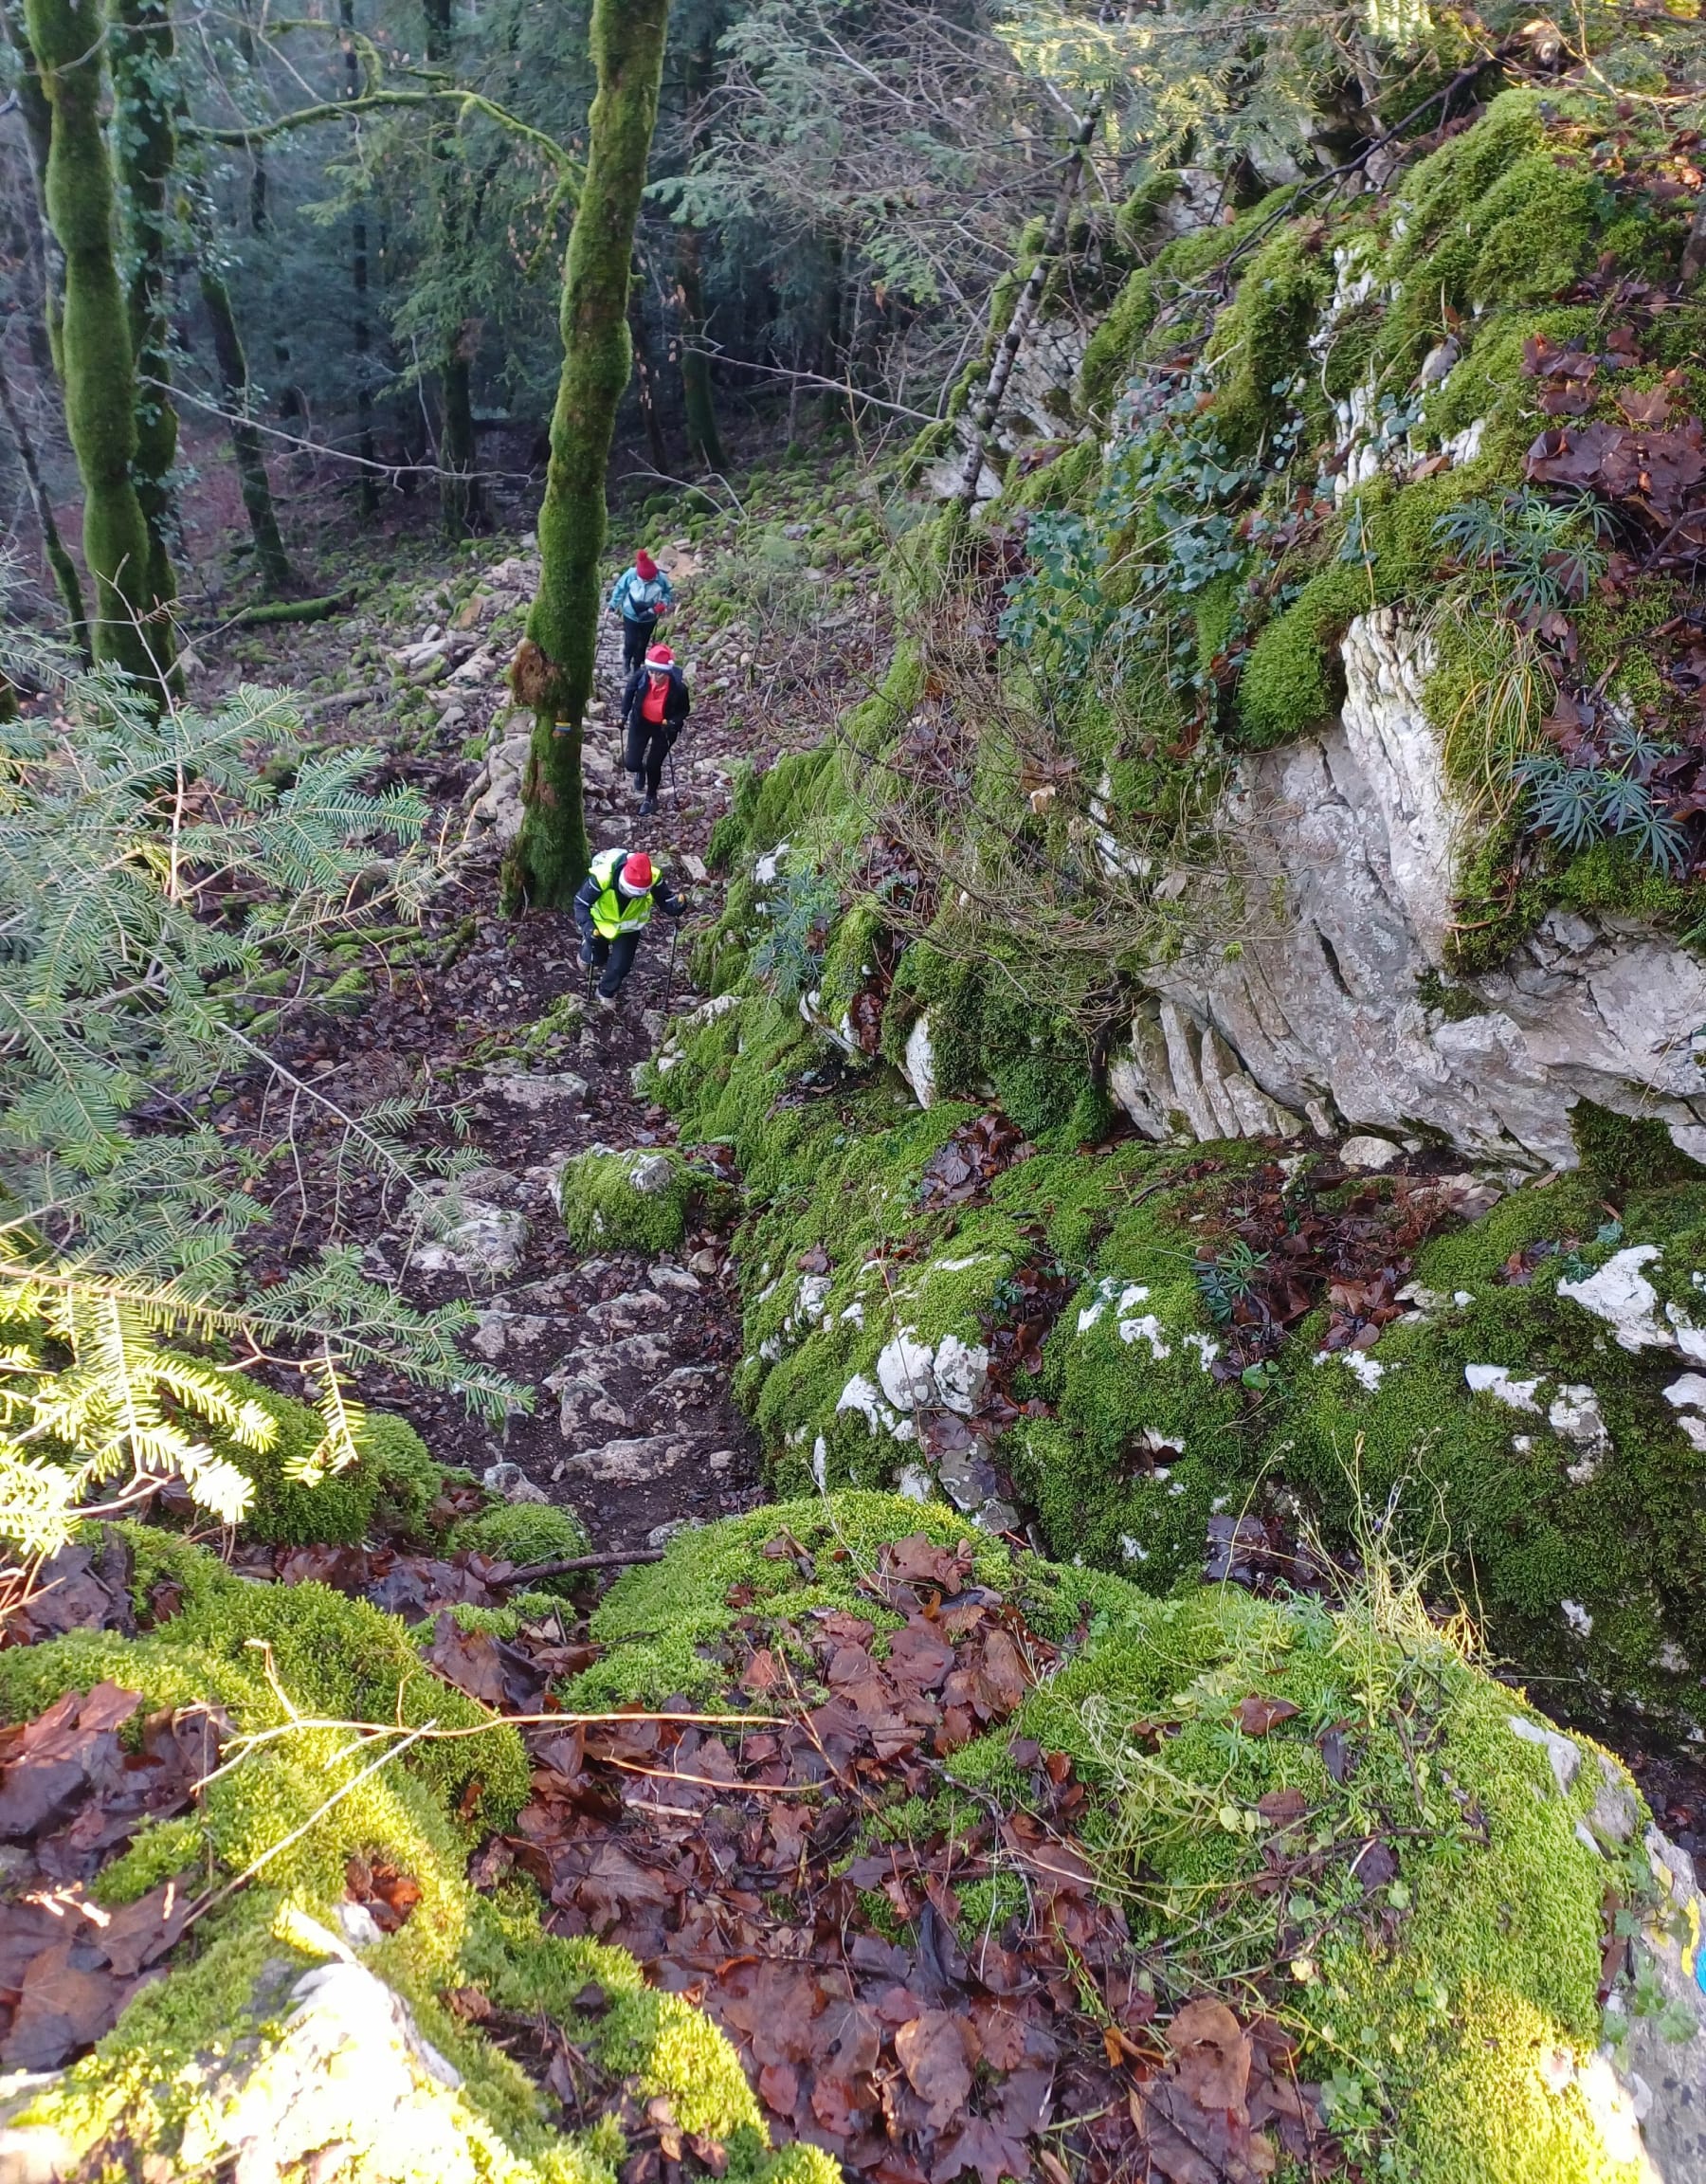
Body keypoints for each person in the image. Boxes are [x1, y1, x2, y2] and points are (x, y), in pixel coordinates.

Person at [572, 847, 686, 1005]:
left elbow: (665, 899)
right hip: (600, 924)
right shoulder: (602, 878)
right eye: (630, 891)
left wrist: (675, 906)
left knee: (621, 965)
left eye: (640, 894)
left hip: (630, 927)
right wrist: (588, 927)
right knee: (596, 957)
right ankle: (586, 955)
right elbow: (581, 903)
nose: (633, 895)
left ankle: (605, 993)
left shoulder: (653, 877)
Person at [621, 643, 691, 814]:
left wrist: (673, 722)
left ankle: (651, 797)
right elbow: (629, 693)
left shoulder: (679, 688)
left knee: (654, 764)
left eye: (658, 672)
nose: (654, 675)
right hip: (641, 722)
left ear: (666, 672)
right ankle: (640, 771)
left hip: (664, 728)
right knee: (631, 763)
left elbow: (684, 710)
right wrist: (623, 715)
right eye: (651, 671)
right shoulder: (640, 677)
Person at [608, 548, 674, 671]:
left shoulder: (661, 579)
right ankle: (627, 659)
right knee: (631, 641)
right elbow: (620, 590)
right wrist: (612, 605)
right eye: (644, 579)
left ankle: (637, 665)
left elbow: (667, 594)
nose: (647, 581)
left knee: (643, 643)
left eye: (650, 580)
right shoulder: (631, 575)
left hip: (650, 616)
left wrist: (660, 606)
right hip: (630, 614)